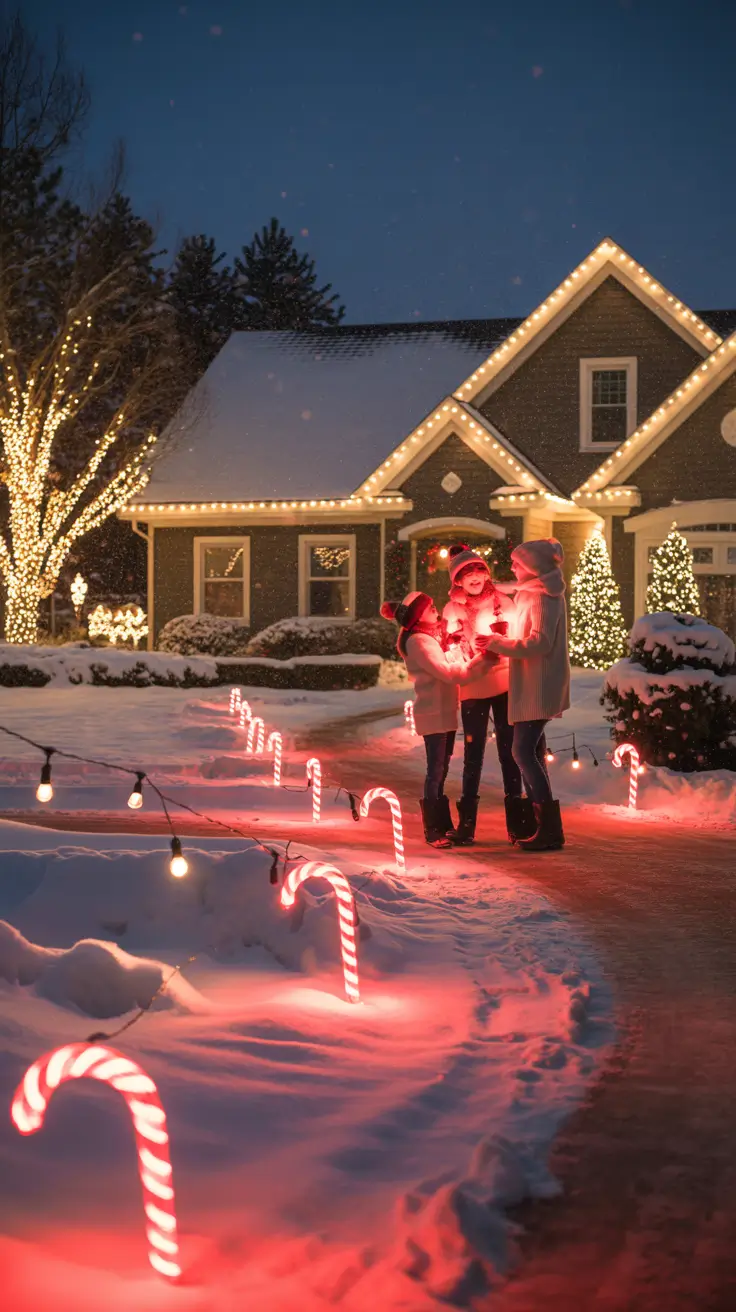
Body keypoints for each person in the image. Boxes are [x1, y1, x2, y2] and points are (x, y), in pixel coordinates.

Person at [380, 590, 492, 848]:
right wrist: (484, 661)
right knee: (436, 770)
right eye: (429, 608)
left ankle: (442, 824)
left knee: (441, 770)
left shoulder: (431, 638)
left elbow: (450, 662)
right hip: (433, 713)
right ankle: (433, 828)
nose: (436, 611)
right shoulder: (419, 643)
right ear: (419, 617)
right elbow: (449, 673)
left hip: (444, 712)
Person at [482, 539, 570, 852]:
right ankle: (542, 825)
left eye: (517, 564)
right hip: (533, 682)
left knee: (521, 751)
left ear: (532, 568)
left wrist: (496, 643)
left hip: (539, 684)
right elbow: (516, 589)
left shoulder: (543, 598)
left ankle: (549, 827)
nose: (512, 569)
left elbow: (540, 643)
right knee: (533, 752)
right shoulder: (533, 592)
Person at [442, 544, 531, 845]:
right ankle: (467, 825)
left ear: (486, 573)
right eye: (466, 574)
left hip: (505, 683)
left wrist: (497, 645)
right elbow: (449, 647)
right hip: (473, 687)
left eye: (478, 570)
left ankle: (518, 823)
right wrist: (462, 654)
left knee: (510, 751)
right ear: (457, 580)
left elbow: (517, 638)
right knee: (473, 755)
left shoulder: (503, 603)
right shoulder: (452, 610)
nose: (474, 577)